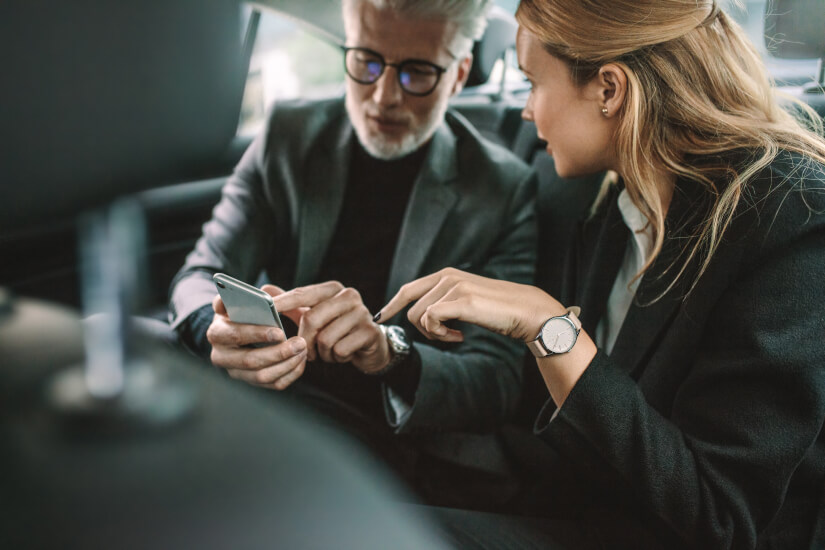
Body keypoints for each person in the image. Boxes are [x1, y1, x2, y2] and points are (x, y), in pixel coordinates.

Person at [377, 0, 825, 547]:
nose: (525, 111)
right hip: (589, 510)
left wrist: (549, 327)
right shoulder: (613, 202)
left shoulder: (787, 219)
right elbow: (572, 433)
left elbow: (720, 519)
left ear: (609, 89)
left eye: (532, 83)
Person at [168, 0, 536, 505]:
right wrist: (214, 333)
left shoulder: (502, 189)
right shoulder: (288, 135)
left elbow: (496, 381)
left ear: (459, 74)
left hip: (398, 443)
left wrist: (388, 353)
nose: (383, 97)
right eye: (365, 61)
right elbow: (198, 276)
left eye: (417, 73)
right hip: (274, 403)